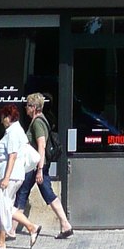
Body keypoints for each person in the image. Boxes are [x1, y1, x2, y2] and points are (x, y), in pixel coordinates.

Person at [14, 92, 73, 240]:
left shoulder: (38, 122)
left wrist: (39, 169)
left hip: (36, 166)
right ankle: (65, 225)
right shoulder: (40, 120)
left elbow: (41, 146)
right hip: (38, 166)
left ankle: (11, 230)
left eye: (27, 106)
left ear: (34, 107)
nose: (25, 108)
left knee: (22, 194)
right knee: (47, 194)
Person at [0, 102, 41, 249]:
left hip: (10, 176)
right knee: (6, 208)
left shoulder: (13, 132)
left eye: (3, 117)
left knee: (2, 207)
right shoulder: (16, 131)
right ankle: (32, 227)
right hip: (15, 175)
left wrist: (6, 178)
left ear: (9, 117)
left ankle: (1, 244)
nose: (1, 121)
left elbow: (12, 156)